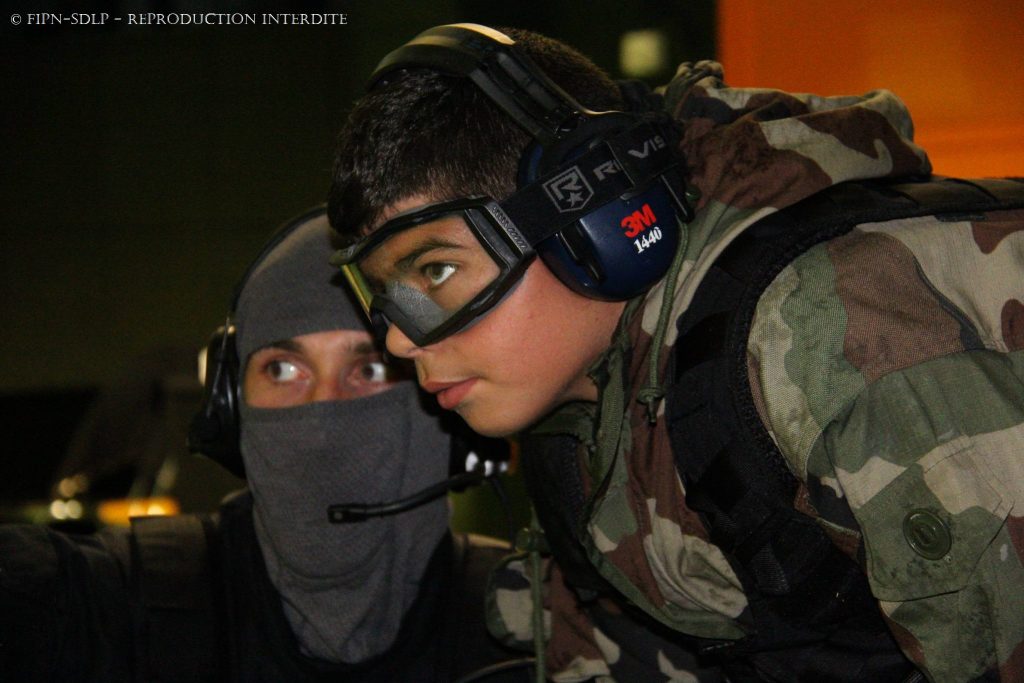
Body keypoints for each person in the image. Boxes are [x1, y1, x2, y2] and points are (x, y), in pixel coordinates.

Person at [326, 23, 1024, 682]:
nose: (399, 337)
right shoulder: (584, 417)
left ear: (594, 213)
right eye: (389, 297)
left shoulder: (832, 335)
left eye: (437, 270)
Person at [0, 208, 530, 682]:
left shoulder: (543, 628)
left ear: (444, 404)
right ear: (231, 410)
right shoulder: (110, 604)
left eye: (369, 369)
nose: (321, 421)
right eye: (282, 370)